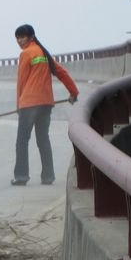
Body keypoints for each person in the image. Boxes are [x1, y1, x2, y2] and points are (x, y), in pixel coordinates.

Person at [11, 24, 79, 186]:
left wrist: (18, 105)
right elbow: (62, 73)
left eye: (22, 37)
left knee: (22, 140)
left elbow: (21, 82)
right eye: (17, 38)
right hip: (46, 104)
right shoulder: (44, 54)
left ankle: (21, 176)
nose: (20, 40)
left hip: (29, 104)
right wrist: (73, 92)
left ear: (31, 37)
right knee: (43, 139)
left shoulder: (26, 54)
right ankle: (47, 176)